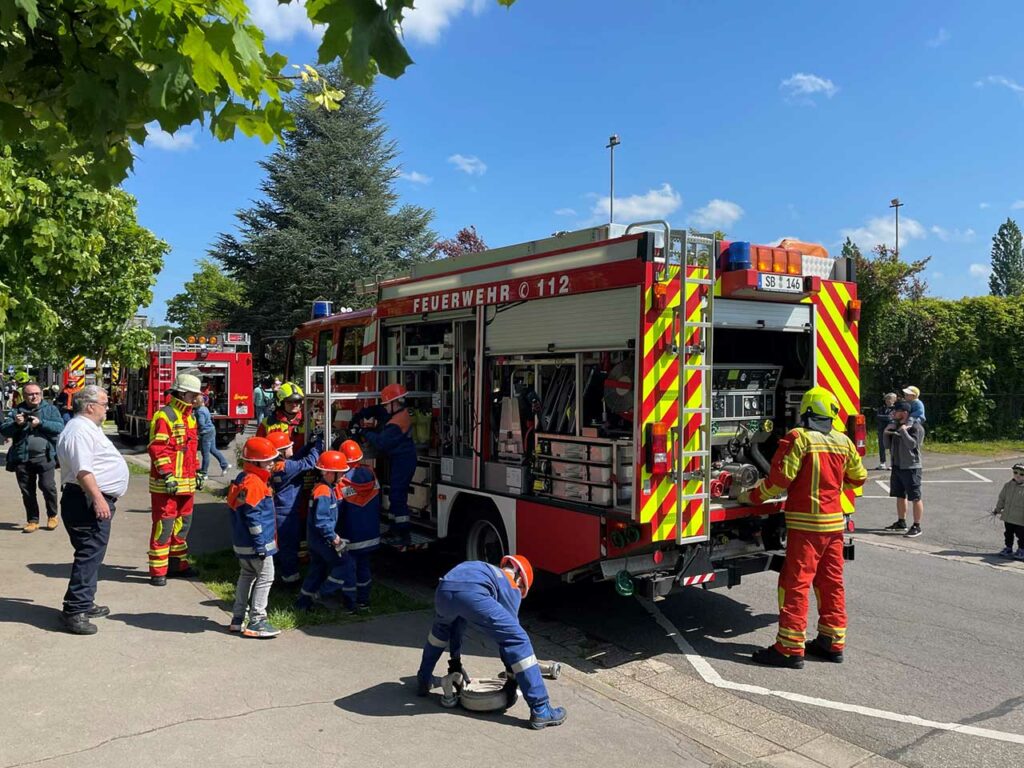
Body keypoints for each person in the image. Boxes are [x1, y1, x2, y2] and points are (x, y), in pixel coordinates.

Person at [739, 387, 867, 668]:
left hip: (806, 528)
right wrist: (833, 487)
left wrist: (750, 496)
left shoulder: (798, 438)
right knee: (831, 583)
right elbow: (859, 477)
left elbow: (778, 482)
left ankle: (789, 647)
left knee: (795, 584)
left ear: (806, 410)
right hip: (834, 526)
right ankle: (832, 642)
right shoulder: (843, 442)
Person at [415, 556, 567, 729]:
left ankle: (423, 680)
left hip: (443, 590)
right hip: (470, 594)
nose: (518, 592)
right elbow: (509, 640)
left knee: (440, 633)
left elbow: (456, 629)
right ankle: (541, 708)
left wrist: (455, 663)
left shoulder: (485, 570)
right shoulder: (511, 584)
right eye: (521, 589)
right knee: (519, 639)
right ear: (520, 579)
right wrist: (511, 676)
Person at [56, 386, 129, 635]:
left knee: (91, 554)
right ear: (89, 406)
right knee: (89, 553)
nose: (107, 408)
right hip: (86, 499)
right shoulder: (79, 431)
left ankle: (84, 602)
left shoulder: (86, 428)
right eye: (104, 403)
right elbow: (83, 471)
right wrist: (97, 498)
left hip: (87, 498)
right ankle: (75, 610)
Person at [147, 372, 201, 586]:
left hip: (186, 483)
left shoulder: (190, 416)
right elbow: (158, 449)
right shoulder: (165, 416)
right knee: (164, 526)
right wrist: (167, 474)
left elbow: (191, 450)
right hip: (166, 485)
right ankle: (158, 571)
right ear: (183, 393)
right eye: (194, 395)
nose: (198, 398)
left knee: (183, 525)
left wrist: (197, 471)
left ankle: (177, 565)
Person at [226, 436, 281, 638]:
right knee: (266, 578)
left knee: (246, 576)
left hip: (241, 544)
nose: (272, 464)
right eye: (268, 460)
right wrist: (261, 546)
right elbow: (253, 518)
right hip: (257, 545)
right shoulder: (255, 483)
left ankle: (238, 618)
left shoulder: (242, 478)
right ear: (256, 462)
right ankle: (257, 620)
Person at [352, 383, 416, 545]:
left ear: (396, 403)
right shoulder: (399, 413)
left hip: (403, 460)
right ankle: (395, 529)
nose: (385, 408)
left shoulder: (396, 422)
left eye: (387, 404)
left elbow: (381, 442)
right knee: (396, 494)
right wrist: (364, 413)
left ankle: (402, 533)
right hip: (402, 459)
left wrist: (362, 431)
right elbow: (379, 412)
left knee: (397, 496)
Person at [295, 450, 356, 611]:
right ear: (330, 473)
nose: (343, 476)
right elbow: (322, 522)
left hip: (316, 540)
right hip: (323, 540)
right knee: (345, 564)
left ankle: (303, 602)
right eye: (341, 473)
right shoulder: (323, 491)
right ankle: (323, 595)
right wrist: (336, 540)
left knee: (317, 570)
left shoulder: (324, 488)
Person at [1, 381, 64, 532]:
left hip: (45, 456)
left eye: (36, 393)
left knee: (48, 487)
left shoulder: (50, 409)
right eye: (30, 394)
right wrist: (16, 424)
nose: (34, 396)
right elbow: (4, 430)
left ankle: (52, 515)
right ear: (24, 395)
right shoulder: (16, 410)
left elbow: (59, 427)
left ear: (41, 394)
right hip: (22, 458)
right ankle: (32, 520)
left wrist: (40, 423)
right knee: (27, 491)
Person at [266, 430, 321, 585]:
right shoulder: (287, 467)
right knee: (289, 547)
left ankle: (276, 574)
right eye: (290, 446)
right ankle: (290, 579)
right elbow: (309, 462)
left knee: (279, 545)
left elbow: (296, 458)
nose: (293, 447)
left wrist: (309, 444)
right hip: (287, 514)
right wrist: (319, 445)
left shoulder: (277, 465)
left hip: (277, 511)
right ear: (281, 451)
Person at [338, 439, 381, 613]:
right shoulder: (372, 475)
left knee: (349, 570)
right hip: (370, 535)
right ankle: (364, 601)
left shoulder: (342, 482)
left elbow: (339, 509)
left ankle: (349, 604)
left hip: (350, 536)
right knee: (364, 568)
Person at [882, 401, 925, 538]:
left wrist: (903, 432)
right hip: (897, 465)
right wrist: (886, 432)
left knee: (915, 497)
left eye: (897, 411)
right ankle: (901, 522)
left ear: (905, 413)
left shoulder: (915, 427)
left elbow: (912, 444)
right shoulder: (897, 425)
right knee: (900, 495)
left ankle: (917, 526)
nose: (893, 413)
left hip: (911, 466)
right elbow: (887, 445)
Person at [257, 381, 306, 450]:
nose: (294, 404)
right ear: (281, 403)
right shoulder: (267, 423)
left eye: (297, 401)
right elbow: (259, 447)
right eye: (289, 401)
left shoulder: (309, 421)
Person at [992, 463, 1024, 559]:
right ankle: (1008, 547)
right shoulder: (1008, 485)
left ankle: (1021, 549)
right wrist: (998, 509)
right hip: (1008, 516)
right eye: (1015, 472)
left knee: (1022, 535)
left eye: (1022, 474)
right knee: (1008, 533)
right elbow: (1002, 498)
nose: (1018, 475)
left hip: (1021, 519)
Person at [195, 393, 230, 480]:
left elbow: (201, 423)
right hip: (211, 430)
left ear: (197, 403)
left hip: (205, 433)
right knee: (213, 449)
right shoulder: (205, 408)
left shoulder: (199, 411)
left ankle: (204, 473)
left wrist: (196, 427)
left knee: (205, 454)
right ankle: (225, 464)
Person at [874, 393, 897, 470]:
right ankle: (882, 463)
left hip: (891, 430)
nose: (887, 400)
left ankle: (892, 463)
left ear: (894, 400)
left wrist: (886, 418)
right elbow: (878, 417)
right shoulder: (882, 408)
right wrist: (888, 417)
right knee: (881, 446)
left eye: (889, 398)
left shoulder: (896, 409)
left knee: (892, 447)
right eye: (886, 399)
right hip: (881, 429)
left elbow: (893, 418)